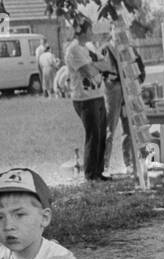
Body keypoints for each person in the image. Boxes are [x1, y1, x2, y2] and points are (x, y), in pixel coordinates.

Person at [65, 19, 109, 181]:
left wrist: (95, 65)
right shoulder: (74, 49)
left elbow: (107, 65)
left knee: (101, 133)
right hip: (84, 98)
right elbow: (88, 71)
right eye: (90, 30)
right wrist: (95, 65)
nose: (93, 33)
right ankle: (90, 174)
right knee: (93, 134)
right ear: (83, 31)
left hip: (97, 95)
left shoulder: (88, 47)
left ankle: (99, 171)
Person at [101, 33, 146, 173]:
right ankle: (104, 164)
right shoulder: (107, 49)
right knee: (110, 127)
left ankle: (129, 163)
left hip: (128, 89)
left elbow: (140, 69)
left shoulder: (130, 49)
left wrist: (136, 82)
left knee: (128, 127)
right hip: (114, 90)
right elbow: (102, 70)